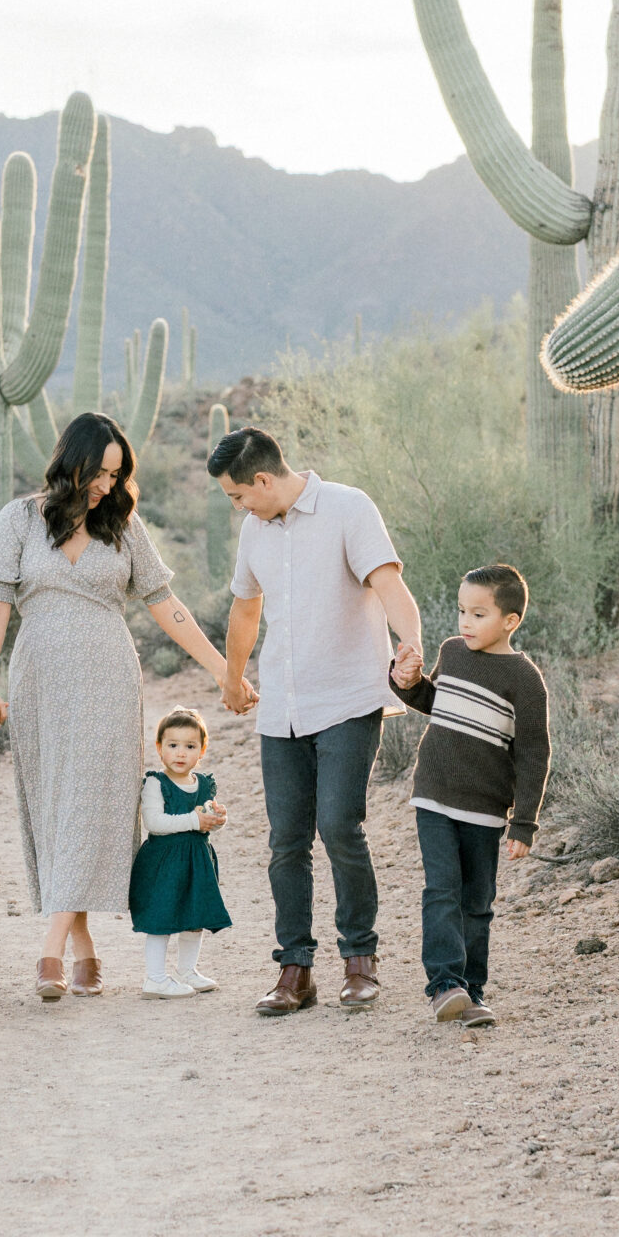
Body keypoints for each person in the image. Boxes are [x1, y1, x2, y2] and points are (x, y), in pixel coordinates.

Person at [0, 412, 240, 1000]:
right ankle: (85, 948)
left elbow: (164, 603)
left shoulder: (124, 527)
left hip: (107, 679)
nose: (108, 486)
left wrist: (223, 669)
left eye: (118, 476)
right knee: (57, 805)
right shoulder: (18, 520)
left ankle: (50, 952)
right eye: (101, 472)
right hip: (40, 675)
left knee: (93, 799)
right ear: (74, 461)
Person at [209, 422, 422, 1016]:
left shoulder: (348, 508)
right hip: (282, 706)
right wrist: (233, 674)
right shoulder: (255, 530)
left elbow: (388, 583)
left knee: (339, 827)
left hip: (349, 697)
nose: (238, 508)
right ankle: (295, 970)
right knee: (286, 842)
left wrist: (411, 643)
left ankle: (360, 960)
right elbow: (245, 609)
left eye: (238, 496)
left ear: (261, 478)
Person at [392, 563, 549, 1030]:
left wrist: (524, 822)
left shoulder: (524, 679)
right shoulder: (452, 653)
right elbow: (432, 701)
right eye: (462, 611)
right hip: (435, 796)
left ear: (510, 621)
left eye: (478, 614)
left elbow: (534, 754)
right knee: (442, 889)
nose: (465, 622)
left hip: (485, 810)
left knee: (477, 902)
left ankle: (472, 991)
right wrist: (409, 683)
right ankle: (444, 984)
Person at [129, 707, 231, 997]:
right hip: (163, 862)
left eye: (190, 746)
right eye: (173, 745)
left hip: (197, 860)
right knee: (162, 918)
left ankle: (187, 970)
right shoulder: (155, 784)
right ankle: (155, 978)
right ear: (160, 748)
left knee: (194, 916)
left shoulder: (204, 784)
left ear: (202, 749)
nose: (180, 753)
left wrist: (217, 820)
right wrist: (194, 821)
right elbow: (155, 823)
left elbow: (206, 824)